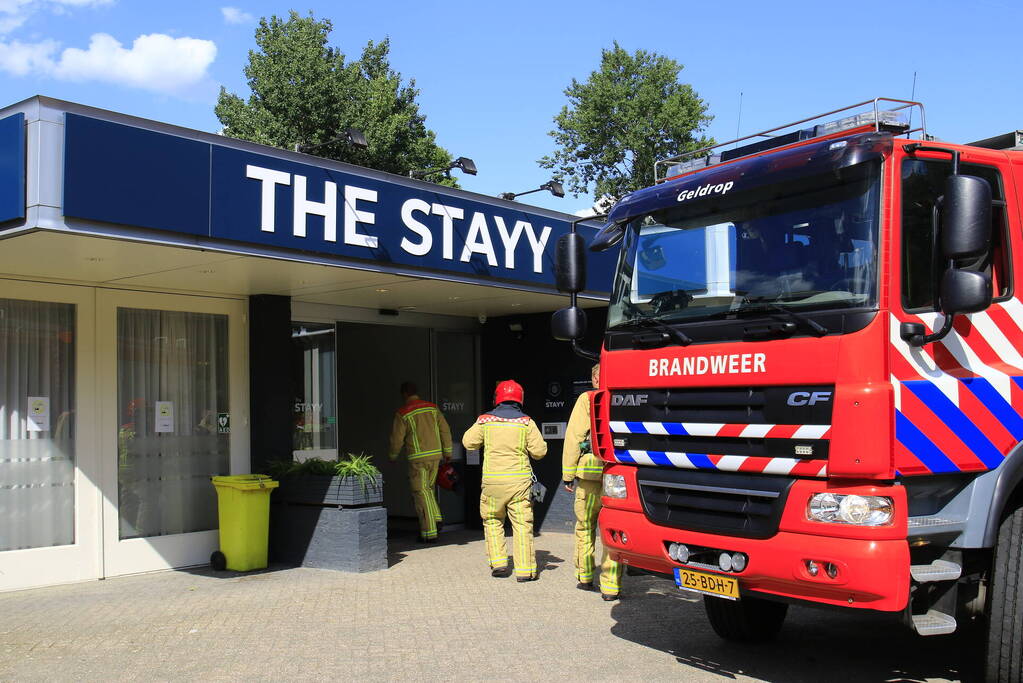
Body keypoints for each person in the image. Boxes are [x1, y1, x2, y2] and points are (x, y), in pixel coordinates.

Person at [462, 380, 547, 581]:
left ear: (497, 398)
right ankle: (525, 570)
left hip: (492, 483)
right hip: (519, 484)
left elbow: (468, 442)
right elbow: (540, 452)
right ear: (520, 399)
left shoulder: (485, 420)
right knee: (522, 525)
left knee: (492, 520)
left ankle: (499, 563)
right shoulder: (526, 422)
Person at [563, 363, 622, 601]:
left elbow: (574, 437)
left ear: (595, 379)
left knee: (585, 527)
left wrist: (567, 474)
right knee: (614, 531)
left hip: (588, 474)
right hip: (617, 476)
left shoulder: (587, 399)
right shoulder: (624, 398)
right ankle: (610, 586)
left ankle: (585, 576)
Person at [389, 381, 452, 543]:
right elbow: (444, 429)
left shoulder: (403, 412)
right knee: (428, 489)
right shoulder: (432, 408)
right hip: (435, 456)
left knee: (420, 493)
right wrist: (448, 451)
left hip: (418, 459)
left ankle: (430, 532)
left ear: (404, 394)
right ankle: (436, 518)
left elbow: (397, 439)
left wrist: (393, 455)